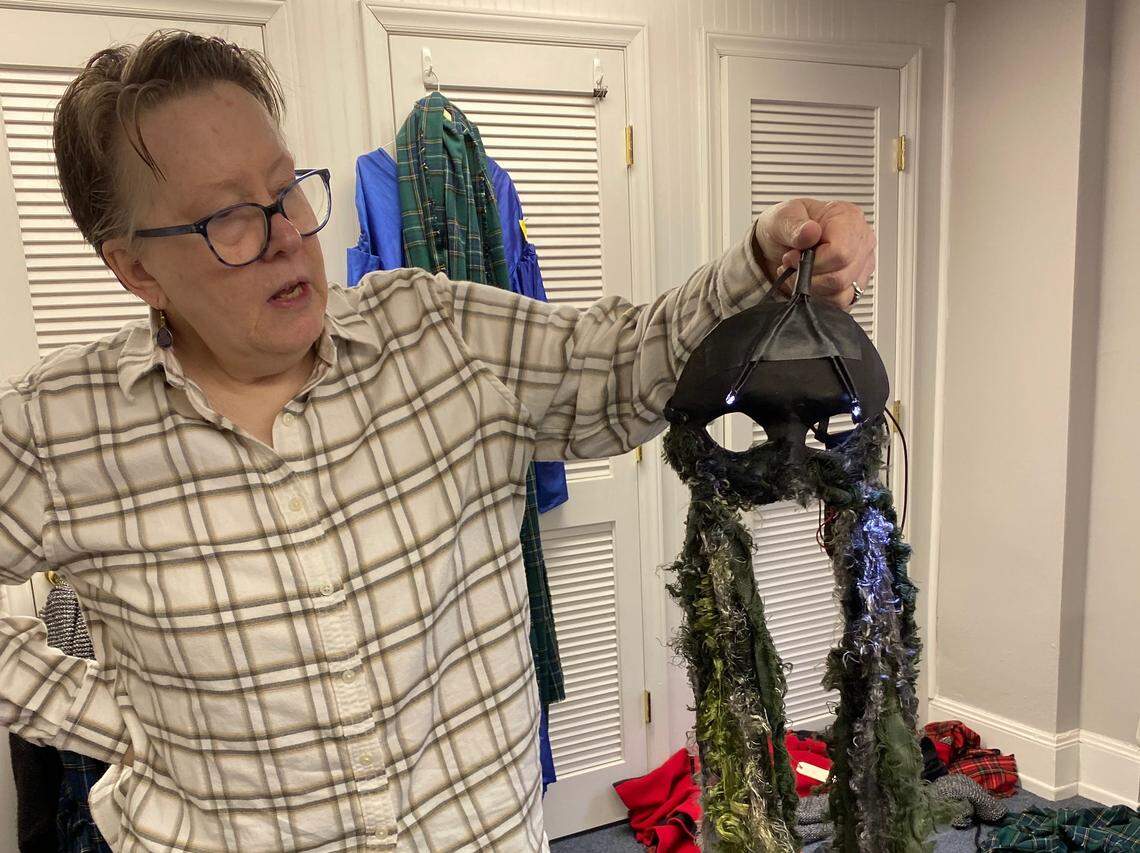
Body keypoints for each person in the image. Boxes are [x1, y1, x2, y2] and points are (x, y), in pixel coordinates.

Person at [0, 30, 876, 853]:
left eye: (285, 189)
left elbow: (623, 366)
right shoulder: (57, 428)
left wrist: (762, 261)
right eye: (228, 217)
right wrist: (112, 715)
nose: (284, 238)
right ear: (136, 267)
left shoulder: (435, 327)